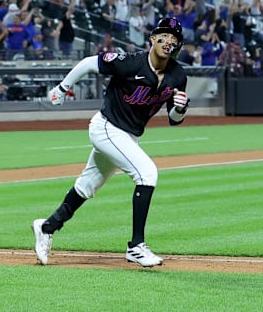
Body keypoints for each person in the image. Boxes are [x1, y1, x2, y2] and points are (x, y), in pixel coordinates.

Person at [32, 18, 190, 268]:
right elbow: (87, 63)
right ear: (152, 38)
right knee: (147, 173)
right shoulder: (131, 62)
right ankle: (136, 246)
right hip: (106, 127)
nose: (168, 40)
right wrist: (62, 88)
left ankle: (47, 226)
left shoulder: (178, 75)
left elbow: (174, 119)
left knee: (86, 187)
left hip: (129, 136)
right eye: (164, 34)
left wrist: (180, 109)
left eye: (174, 37)